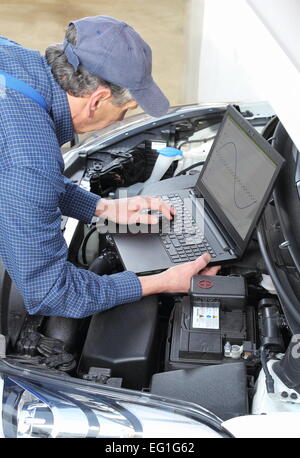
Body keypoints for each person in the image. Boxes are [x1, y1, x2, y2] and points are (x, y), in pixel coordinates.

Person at [0, 15, 219, 319]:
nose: (121, 121)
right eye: (126, 110)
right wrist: (162, 281)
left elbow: (18, 178)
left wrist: (101, 208)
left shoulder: (10, 53)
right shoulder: (31, 159)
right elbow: (51, 292)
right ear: (98, 99)